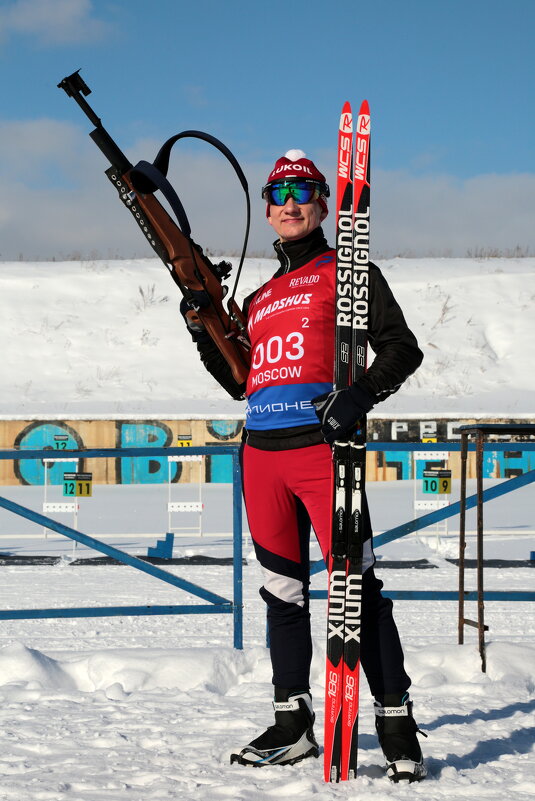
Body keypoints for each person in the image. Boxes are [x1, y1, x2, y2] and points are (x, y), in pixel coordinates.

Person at [182, 150, 427, 783]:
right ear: (266, 208)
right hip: (261, 455)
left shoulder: (347, 272)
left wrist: (360, 394)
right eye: (278, 194)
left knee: (358, 591)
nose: (289, 203)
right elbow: (241, 383)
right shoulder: (259, 297)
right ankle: (292, 727)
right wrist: (201, 327)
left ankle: (396, 723)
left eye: (303, 192)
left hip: (323, 451)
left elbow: (402, 348)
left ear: (323, 204)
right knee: (281, 593)